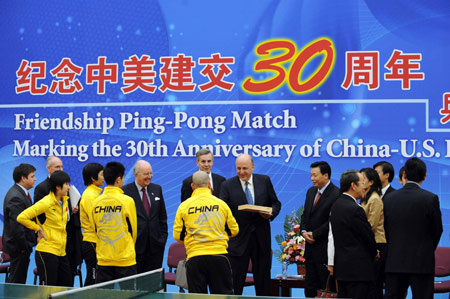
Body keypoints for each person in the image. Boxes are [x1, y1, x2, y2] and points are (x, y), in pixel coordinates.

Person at [220, 153, 281, 296]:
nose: (241, 172)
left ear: (253, 167)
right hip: (237, 241)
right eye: (238, 168)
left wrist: (271, 213)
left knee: (263, 282)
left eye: (245, 168)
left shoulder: (264, 180)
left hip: (261, 239)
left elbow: (276, 203)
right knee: (235, 282)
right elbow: (223, 211)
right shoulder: (227, 185)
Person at [384, 158, 443, 299]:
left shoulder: (389, 198)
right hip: (422, 263)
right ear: (424, 176)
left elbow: (385, 229)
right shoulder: (430, 198)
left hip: (394, 262)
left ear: (404, 174)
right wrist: (427, 248)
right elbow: (437, 230)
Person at [173, 171, 239, 294]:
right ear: (209, 185)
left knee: (197, 297)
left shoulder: (184, 206)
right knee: (223, 297)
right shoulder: (221, 204)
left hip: (195, 258)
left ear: (192, 186)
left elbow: (178, 235)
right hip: (219, 257)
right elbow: (234, 230)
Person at [328, 170, 378, 299]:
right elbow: (368, 238)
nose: (364, 187)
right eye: (362, 183)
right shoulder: (355, 209)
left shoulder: (336, 205)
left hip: (342, 270)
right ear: (353, 186)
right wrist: (375, 253)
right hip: (359, 271)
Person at [17, 170, 72, 286]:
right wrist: (38, 229)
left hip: (61, 252)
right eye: (66, 184)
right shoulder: (46, 202)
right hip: (47, 251)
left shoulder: (65, 201)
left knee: (66, 286)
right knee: (48, 289)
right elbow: (22, 217)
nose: (69, 187)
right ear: (57, 187)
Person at [33, 156, 82, 286]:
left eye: (61, 166)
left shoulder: (67, 187)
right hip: (50, 242)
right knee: (51, 284)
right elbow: (39, 216)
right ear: (48, 169)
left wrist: (73, 211)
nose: (60, 169)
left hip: (67, 240)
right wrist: (39, 229)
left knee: (67, 281)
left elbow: (66, 211)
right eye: (57, 167)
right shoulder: (42, 188)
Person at [90, 161, 137, 283]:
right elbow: (134, 231)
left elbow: (95, 228)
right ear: (118, 179)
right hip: (125, 260)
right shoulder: (127, 201)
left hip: (103, 258)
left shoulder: (96, 202)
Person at [299, 161, 339, 297]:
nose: (312, 179)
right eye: (311, 175)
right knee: (310, 287)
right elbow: (305, 214)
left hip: (325, 250)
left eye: (315, 175)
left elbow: (332, 222)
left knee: (325, 288)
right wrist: (303, 231)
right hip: (310, 250)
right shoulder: (311, 192)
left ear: (326, 175)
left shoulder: (336, 194)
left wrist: (315, 234)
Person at [123, 160, 168, 273]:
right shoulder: (125, 191)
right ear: (136, 174)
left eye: (150, 173)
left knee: (153, 282)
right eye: (146, 174)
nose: (149, 177)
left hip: (155, 247)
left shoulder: (157, 189)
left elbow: (162, 217)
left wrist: (162, 239)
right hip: (135, 247)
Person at [2, 163, 37, 283]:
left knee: (19, 279)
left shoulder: (21, 193)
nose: (35, 179)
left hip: (21, 247)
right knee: (16, 281)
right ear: (23, 178)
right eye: (32, 176)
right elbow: (17, 226)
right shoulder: (16, 197)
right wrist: (24, 247)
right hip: (19, 248)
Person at [360, 168, 387, 299]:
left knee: (374, 284)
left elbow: (371, 225)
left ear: (371, 182)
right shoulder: (366, 198)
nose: (360, 182)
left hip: (377, 244)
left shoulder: (375, 199)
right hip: (368, 243)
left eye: (363, 179)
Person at [79, 162, 104, 286]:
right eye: (101, 174)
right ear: (93, 178)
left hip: (97, 241)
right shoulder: (90, 196)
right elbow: (96, 222)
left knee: (98, 278)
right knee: (93, 278)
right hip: (91, 241)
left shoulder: (95, 194)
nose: (104, 177)